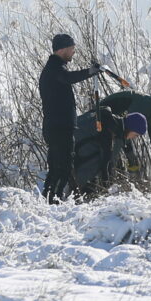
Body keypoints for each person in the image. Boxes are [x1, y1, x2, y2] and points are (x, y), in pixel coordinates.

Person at [39, 32, 114, 203]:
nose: (74, 51)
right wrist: (90, 72)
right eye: (72, 48)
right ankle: (53, 201)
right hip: (59, 128)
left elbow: (67, 77)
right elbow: (68, 78)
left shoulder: (56, 68)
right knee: (63, 168)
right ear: (63, 49)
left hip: (57, 127)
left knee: (57, 168)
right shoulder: (54, 69)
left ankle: (48, 200)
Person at [95, 88, 151, 178]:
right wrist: (130, 156)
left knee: (120, 155)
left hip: (112, 124)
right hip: (101, 117)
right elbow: (126, 128)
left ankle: (111, 178)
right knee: (112, 157)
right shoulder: (145, 104)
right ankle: (105, 180)